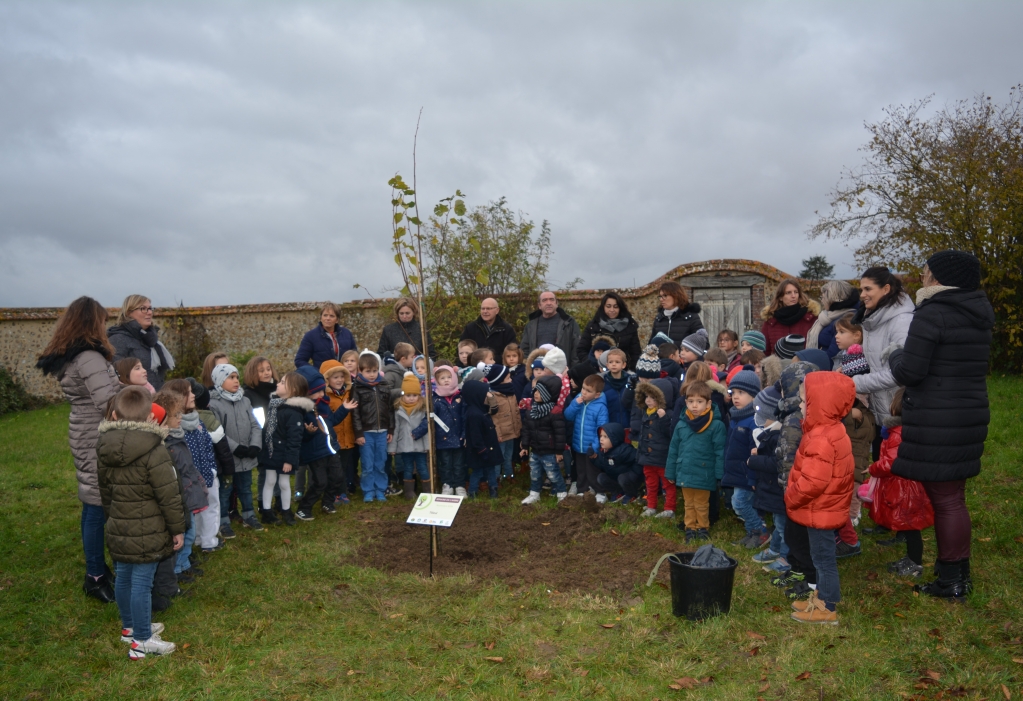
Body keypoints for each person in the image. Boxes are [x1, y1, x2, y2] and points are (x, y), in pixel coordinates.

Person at [889, 250, 994, 599]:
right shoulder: (977, 311)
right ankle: (956, 573)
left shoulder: (934, 312)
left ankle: (952, 580)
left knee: (946, 499)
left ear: (939, 278)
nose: (922, 276)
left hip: (939, 415)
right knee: (954, 496)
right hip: (968, 411)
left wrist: (895, 355)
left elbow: (911, 371)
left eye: (926, 270)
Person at [36, 296, 121, 604]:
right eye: (103, 320)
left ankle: (98, 570)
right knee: (96, 507)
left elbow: (110, 392)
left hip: (86, 431)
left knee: (92, 504)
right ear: (92, 322)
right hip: (94, 436)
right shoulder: (89, 357)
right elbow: (109, 402)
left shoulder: (81, 355)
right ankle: (95, 576)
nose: (106, 326)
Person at [97, 386, 185, 658]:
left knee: (123, 578)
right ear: (150, 416)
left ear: (113, 414)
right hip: (148, 530)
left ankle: (130, 626)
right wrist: (177, 529)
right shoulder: (155, 450)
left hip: (119, 527)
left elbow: (105, 491)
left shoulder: (103, 446)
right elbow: (169, 496)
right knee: (142, 584)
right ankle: (142, 640)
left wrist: (113, 518)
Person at [785, 372, 856, 625]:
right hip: (825, 508)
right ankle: (821, 597)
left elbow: (813, 482)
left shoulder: (821, 438)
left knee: (823, 561)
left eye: (805, 401)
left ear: (821, 404)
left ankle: (827, 606)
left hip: (820, 510)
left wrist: (790, 497)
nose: (801, 406)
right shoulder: (831, 430)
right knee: (821, 558)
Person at [863, 388, 934, 578]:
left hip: (905, 488)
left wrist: (873, 468)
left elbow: (892, 462)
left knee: (911, 526)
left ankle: (915, 563)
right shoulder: (909, 430)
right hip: (907, 485)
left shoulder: (898, 433)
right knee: (909, 526)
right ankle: (911, 558)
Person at [851, 267, 914, 428]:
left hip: (899, 412)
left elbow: (903, 371)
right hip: (879, 411)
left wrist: (855, 382)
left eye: (868, 289)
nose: (862, 294)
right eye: (861, 289)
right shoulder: (872, 319)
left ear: (886, 289)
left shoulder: (901, 321)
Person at [665, 381, 727, 543]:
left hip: (704, 472)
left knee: (701, 503)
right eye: (691, 401)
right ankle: (690, 528)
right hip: (685, 471)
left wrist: (719, 474)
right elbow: (673, 449)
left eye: (699, 402)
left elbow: (720, 451)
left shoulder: (716, 426)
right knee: (688, 503)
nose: (694, 406)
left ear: (708, 403)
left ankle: (702, 527)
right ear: (686, 403)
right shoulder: (681, 424)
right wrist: (670, 472)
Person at [208, 364, 262, 535]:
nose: (236, 381)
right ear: (220, 380)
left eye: (237, 377)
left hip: (246, 455)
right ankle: (223, 521)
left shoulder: (244, 400)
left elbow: (255, 424)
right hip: (228, 457)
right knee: (225, 490)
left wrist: (255, 445)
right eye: (230, 377)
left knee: (246, 487)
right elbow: (217, 430)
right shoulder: (214, 404)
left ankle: (249, 515)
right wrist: (235, 447)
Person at [295, 369, 353, 520]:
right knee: (320, 481)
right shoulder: (302, 410)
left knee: (337, 476)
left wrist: (344, 409)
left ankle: (327, 502)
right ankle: (304, 508)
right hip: (315, 452)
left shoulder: (323, 405)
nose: (322, 394)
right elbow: (301, 435)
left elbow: (332, 421)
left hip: (331, 448)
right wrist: (308, 431)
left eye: (322, 390)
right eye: (318, 392)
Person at [722, 369, 766, 548]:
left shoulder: (754, 421)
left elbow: (756, 452)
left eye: (742, 393)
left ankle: (760, 531)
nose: (736, 397)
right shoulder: (735, 417)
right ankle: (752, 532)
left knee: (739, 503)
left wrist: (753, 476)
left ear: (754, 396)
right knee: (743, 502)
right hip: (737, 471)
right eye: (734, 393)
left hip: (748, 473)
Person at [747, 387, 789, 574]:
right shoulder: (771, 433)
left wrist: (755, 460)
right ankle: (775, 550)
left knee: (783, 525)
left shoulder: (779, 436)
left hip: (779, 489)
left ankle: (786, 558)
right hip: (773, 489)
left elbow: (777, 462)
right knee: (778, 522)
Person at [259, 372, 309, 526]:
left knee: (284, 483)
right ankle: (266, 512)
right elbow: (267, 430)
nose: (277, 384)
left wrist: (289, 460)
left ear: (292, 390)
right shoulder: (274, 406)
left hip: (284, 456)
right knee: (269, 481)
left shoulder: (293, 413)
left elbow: (295, 439)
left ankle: (286, 511)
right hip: (271, 452)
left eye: (282, 382)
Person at [106, 295, 175, 391]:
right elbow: (114, 376)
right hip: (135, 400)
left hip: (155, 399)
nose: (150, 312)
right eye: (143, 309)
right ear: (129, 312)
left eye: (150, 308)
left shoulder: (150, 339)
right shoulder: (118, 340)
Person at [351, 350, 394, 503]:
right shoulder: (357, 388)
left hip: (382, 431)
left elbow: (390, 409)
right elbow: (355, 412)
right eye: (368, 371)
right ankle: (368, 490)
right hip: (366, 432)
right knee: (367, 464)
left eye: (375, 371)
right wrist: (359, 433)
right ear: (360, 371)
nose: (372, 374)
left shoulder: (384, 386)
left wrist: (390, 429)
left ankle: (380, 490)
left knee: (380, 462)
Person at [519, 375, 569, 505]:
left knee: (553, 474)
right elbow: (526, 429)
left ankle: (562, 493)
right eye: (535, 390)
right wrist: (525, 446)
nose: (535, 394)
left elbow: (560, 433)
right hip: (535, 450)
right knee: (534, 473)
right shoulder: (531, 409)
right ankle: (534, 493)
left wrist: (559, 451)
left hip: (550, 451)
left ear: (548, 395)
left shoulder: (554, 412)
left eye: (540, 392)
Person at [564, 375, 610, 500]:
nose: (584, 392)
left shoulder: (600, 407)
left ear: (597, 395)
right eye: (583, 389)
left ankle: (600, 492)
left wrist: (595, 447)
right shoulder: (578, 401)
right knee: (581, 470)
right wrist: (575, 404)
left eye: (588, 391)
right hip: (578, 444)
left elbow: (601, 429)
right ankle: (582, 490)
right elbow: (568, 416)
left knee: (592, 471)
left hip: (591, 446)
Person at [634, 380, 675, 518]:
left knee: (667, 485)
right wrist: (640, 455)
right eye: (647, 397)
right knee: (650, 484)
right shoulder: (646, 413)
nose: (648, 400)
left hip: (662, 458)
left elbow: (670, 433)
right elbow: (642, 437)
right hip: (648, 458)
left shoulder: (667, 414)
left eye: (653, 397)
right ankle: (651, 505)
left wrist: (663, 419)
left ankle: (669, 508)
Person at [320, 360, 358, 502]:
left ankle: (342, 492)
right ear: (327, 379)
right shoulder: (325, 397)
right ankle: (332, 493)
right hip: (333, 439)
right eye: (335, 377)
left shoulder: (349, 392)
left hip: (348, 437)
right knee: (333, 469)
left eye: (342, 376)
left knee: (344, 466)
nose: (339, 380)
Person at [388, 372, 431, 499]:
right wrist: (392, 448)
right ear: (403, 395)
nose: (411, 398)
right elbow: (395, 430)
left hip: (420, 446)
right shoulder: (398, 410)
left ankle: (427, 491)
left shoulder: (422, 409)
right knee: (408, 468)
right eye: (408, 395)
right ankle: (409, 492)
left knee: (422, 467)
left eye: (414, 395)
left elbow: (426, 429)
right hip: (405, 445)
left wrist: (427, 446)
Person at [576, 292, 642, 369]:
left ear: (620, 308)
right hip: (597, 373)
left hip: (623, 372)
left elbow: (635, 353)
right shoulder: (593, 326)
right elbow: (581, 350)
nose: (612, 310)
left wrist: (631, 372)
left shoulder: (630, 326)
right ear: (603, 307)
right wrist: (593, 364)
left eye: (615, 307)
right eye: (608, 306)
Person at [462, 379, 504, 498]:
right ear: (476, 395)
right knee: (478, 471)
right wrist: (481, 449)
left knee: (490, 469)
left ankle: (493, 491)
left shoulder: (481, 410)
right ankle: (472, 492)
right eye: (484, 393)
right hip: (480, 450)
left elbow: (494, 408)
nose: (487, 395)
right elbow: (475, 435)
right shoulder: (474, 414)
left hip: (488, 448)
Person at [760, 279, 820, 357]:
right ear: (781, 297)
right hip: (778, 366)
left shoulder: (810, 317)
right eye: (788, 293)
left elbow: (818, 346)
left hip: (805, 365)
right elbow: (765, 351)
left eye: (796, 292)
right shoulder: (771, 320)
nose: (793, 296)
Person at [432, 365, 467, 497]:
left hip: (458, 438)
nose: (446, 380)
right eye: (442, 378)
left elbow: (464, 417)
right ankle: (447, 485)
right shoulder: (435, 399)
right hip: (443, 439)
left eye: (449, 377)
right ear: (436, 380)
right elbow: (430, 418)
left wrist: (464, 434)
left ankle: (459, 485)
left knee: (459, 464)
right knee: (445, 463)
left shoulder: (460, 396)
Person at [483, 364, 521, 481]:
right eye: (508, 378)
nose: (511, 380)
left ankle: (508, 474)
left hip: (511, 431)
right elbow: (494, 417)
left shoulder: (511, 393)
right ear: (499, 380)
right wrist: (497, 433)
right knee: (499, 456)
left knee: (509, 455)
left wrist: (519, 428)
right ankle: (496, 477)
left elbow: (515, 412)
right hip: (501, 434)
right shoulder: (492, 396)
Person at [519, 291, 581, 362]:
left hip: (562, 369)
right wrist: (527, 367)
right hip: (537, 369)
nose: (549, 303)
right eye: (544, 300)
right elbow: (525, 349)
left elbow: (576, 349)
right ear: (539, 305)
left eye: (551, 299)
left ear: (556, 303)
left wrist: (572, 371)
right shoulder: (531, 326)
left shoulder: (569, 323)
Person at [806, 280, 861, 360]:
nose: (822, 300)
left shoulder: (846, 319)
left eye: (823, 297)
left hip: (827, 366)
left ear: (832, 298)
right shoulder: (830, 316)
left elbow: (833, 355)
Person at [294, 302, 358, 369]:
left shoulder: (346, 333)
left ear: (337, 320)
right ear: (321, 318)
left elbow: (355, 357)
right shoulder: (310, 336)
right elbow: (300, 361)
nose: (328, 318)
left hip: (345, 376)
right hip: (322, 377)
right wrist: (316, 374)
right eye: (325, 315)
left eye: (332, 316)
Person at [594, 423, 642, 504]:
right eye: (601, 436)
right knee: (601, 477)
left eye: (605, 437)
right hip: (616, 477)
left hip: (630, 479)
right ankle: (618, 492)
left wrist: (634, 474)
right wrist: (594, 458)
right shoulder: (603, 451)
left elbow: (638, 460)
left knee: (622, 478)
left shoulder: (624, 450)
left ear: (614, 438)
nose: (601, 439)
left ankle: (632, 495)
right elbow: (602, 465)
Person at [648, 281, 704, 348]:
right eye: (660, 296)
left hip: (683, 358)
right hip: (662, 358)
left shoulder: (690, 317)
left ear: (676, 296)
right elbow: (651, 345)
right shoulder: (659, 318)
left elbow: (703, 343)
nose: (661, 299)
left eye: (665, 296)